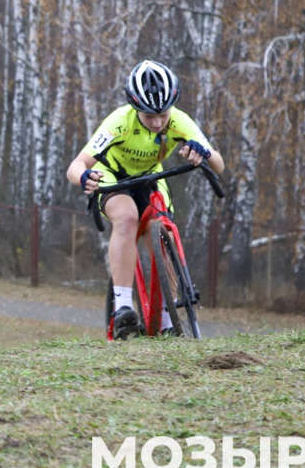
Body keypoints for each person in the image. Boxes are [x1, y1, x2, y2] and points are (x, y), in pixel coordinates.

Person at [66, 60, 226, 339]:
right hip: (113, 175)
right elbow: (75, 166)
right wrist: (84, 177)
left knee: (164, 230)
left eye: (163, 115)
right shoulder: (119, 122)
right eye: (149, 116)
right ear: (134, 107)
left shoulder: (179, 120)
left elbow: (219, 165)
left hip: (151, 177)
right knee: (127, 218)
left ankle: (167, 318)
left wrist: (203, 152)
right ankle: (124, 307)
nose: (157, 123)